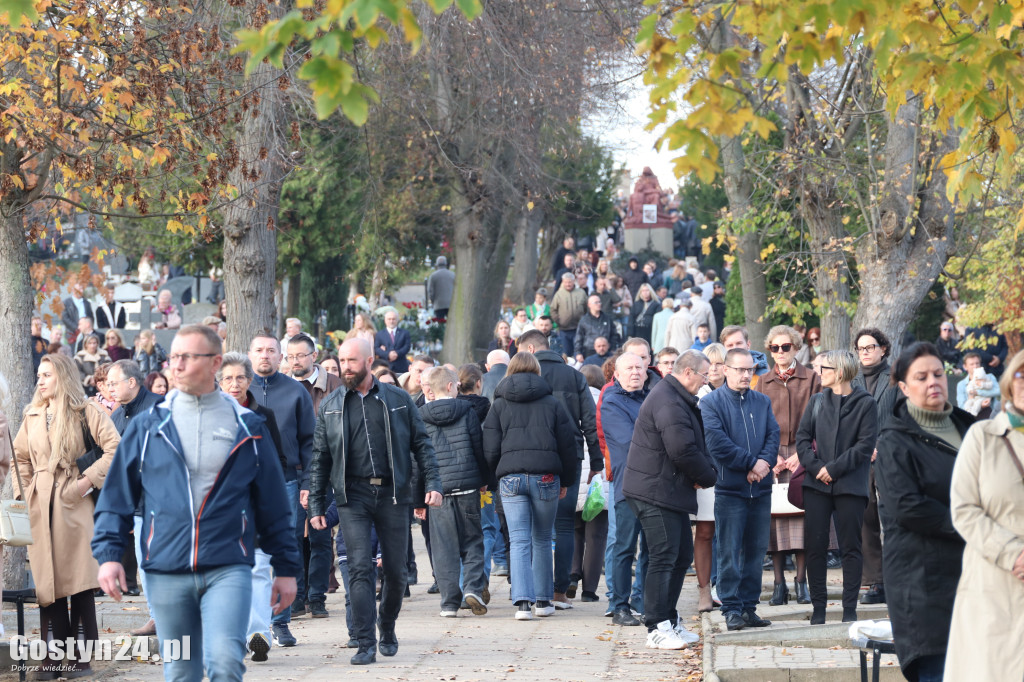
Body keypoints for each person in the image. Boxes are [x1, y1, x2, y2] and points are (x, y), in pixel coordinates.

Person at [93, 326, 300, 682]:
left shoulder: (249, 426)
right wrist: (109, 555)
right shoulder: (148, 427)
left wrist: (285, 567)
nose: (178, 364)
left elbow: (274, 502)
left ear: (215, 362)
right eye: (175, 356)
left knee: (224, 662)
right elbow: (116, 496)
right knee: (182, 669)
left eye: (189, 356)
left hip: (228, 565)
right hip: (166, 569)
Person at [308, 339, 442, 664]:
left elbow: (422, 443)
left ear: (369, 360)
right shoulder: (331, 405)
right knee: (358, 568)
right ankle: (365, 642)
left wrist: (434, 483)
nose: (345, 367)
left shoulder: (398, 399)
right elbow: (320, 459)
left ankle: (388, 624)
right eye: (341, 360)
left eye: (352, 360)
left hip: (393, 494)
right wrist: (315, 506)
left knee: (396, 571)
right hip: (351, 496)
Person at [14, 353, 121, 678]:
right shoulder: (32, 414)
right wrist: (26, 490)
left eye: (47, 374)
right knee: (49, 584)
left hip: (75, 505)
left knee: (79, 582)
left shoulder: (86, 410)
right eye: (39, 375)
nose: (40, 381)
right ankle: (52, 659)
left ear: (63, 376)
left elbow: (115, 447)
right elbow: (20, 457)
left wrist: (85, 483)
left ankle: (81, 660)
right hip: (40, 506)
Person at [873, 342, 974, 681]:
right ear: (903, 387)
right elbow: (907, 507)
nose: (933, 382)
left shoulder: (972, 429)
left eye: (938, 374)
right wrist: (974, 527)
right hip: (923, 581)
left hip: (977, 576)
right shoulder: (894, 441)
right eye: (921, 376)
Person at [624, 350, 718, 649]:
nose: (705, 382)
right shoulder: (668, 400)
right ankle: (656, 626)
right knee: (664, 556)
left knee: (679, 556)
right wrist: (710, 477)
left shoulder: (676, 396)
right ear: (688, 372)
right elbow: (682, 450)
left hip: (666, 489)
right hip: (654, 491)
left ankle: (669, 619)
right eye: (704, 375)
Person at [944, 349, 1024, 681]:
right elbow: (964, 508)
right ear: (1009, 382)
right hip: (993, 589)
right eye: (1021, 374)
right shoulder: (983, 437)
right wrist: (1014, 554)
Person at [482, 352, 576, 620]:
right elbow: (567, 445)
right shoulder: (552, 403)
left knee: (519, 539)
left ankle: (523, 603)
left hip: (510, 477)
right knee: (544, 538)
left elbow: (489, 447)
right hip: (546, 476)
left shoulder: (498, 405)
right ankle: (544, 601)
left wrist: (493, 477)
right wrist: (567, 480)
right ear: (537, 371)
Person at [516, 329, 602, 608]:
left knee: (529, 528)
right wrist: (596, 462)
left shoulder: (522, 376)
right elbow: (590, 421)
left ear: (529, 349)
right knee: (564, 525)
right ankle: (558, 591)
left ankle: (526, 590)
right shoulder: (575, 376)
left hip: (528, 456)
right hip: (570, 457)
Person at [700, 348, 781, 631]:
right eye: (740, 369)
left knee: (756, 550)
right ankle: (731, 608)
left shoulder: (762, 401)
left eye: (750, 369)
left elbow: (773, 435)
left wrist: (763, 464)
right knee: (730, 551)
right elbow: (717, 444)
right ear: (725, 370)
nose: (747, 374)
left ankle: (749, 607)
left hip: (760, 489)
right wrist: (751, 464)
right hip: (731, 488)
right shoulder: (711, 403)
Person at [795, 350, 877, 624]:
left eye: (824, 367)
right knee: (815, 547)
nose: (819, 372)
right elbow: (803, 438)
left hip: (850, 486)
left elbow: (865, 446)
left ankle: (849, 610)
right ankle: (819, 609)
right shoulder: (817, 400)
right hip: (816, 485)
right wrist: (818, 468)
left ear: (839, 372)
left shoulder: (866, 404)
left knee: (850, 548)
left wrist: (834, 469)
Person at [216, 352, 289, 662]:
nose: (235, 384)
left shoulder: (264, 416)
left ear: (250, 381)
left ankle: (258, 633)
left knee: (259, 569)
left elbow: (278, 462)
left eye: (240, 378)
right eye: (228, 378)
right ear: (219, 382)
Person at [247, 333, 315, 646]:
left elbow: (310, 443)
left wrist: (306, 483)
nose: (265, 355)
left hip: (286, 481)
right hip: (243, 484)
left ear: (281, 357)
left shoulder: (296, 393)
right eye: (259, 350)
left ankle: (280, 621)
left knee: (282, 550)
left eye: (271, 351)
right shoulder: (236, 391)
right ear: (250, 355)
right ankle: (249, 622)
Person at [416, 367, 490, 618]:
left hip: (438, 493)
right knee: (473, 542)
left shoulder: (420, 416)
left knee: (443, 547)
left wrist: (418, 499)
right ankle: (472, 587)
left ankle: (449, 603)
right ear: (449, 387)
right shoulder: (467, 412)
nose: (459, 387)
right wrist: (484, 480)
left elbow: (417, 461)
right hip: (468, 487)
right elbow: (478, 448)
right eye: (456, 385)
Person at [756, 326, 821, 607]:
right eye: (775, 348)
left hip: (803, 451)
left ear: (796, 348)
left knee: (802, 518)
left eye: (786, 347)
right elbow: (757, 424)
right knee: (774, 522)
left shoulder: (812, 379)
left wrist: (802, 454)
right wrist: (769, 458)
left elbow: (821, 420)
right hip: (771, 455)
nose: (780, 352)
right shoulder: (762, 382)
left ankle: (801, 582)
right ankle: (779, 584)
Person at [287, 333, 342, 619]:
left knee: (320, 536)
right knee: (294, 536)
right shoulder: (283, 386)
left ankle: (317, 597)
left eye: (300, 355)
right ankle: (296, 598)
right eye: (291, 356)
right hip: (292, 470)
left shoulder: (335, 387)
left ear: (313, 356)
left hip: (327, 470)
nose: (295, 361)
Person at [600, 352, 651, 626]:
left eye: (639, 368)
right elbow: (631, 443)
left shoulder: (651, 398)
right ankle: (619, 606)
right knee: (624, 548)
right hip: (628, 487)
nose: (635, 372)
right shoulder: (611, 402)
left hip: (656, 487)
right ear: (616, 375)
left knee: (652, 549)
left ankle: (642, 603)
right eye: (629, 368)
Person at [851, 327, 900, 605]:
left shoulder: (895, 378)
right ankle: (876, 582)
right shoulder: (852, 379)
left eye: (870, 347)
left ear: (883, 348)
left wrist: (881, 444)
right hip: (860, 460)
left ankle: (897, 578)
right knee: (866, 520)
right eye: (861, 348)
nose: (865, 352)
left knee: (892, 519)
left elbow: (902, 417)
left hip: (889, 456)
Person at [570, 365, 608, 603]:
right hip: (599, 478)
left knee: (574, 531)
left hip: (576, 477)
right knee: (596, 536)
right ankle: (589, 590)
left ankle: (572, 574)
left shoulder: (571, 403)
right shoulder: (606, 403)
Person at [550, 273, 587, 356]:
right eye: (566, 282)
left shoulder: (581, 292)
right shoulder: (558, 294)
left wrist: (583, 320)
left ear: (574, 281)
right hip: (564, 330)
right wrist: (559, 321)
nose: (568, 284)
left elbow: (586, 308)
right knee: (566, 353)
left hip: (578, 329)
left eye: (570, 282)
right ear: (563, 282)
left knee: (578, 352)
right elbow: (553, 309)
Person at [575, 294, 619, 362]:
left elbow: (614, 334)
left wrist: (613, 348)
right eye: (596, 302)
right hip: (589, 352)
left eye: (599, 302)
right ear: (589, 305)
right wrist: (578, 352)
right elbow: (579, 337)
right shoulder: (584, 320)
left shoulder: (607, 318)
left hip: (606, 352)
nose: (599, 304)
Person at [956, 351, 1001, 417]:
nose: (975, 366)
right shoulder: (961, 385)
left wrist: (978, 392)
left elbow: (998, 391)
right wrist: (980, 406)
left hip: (991, 414)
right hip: (971, 417)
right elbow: (961, 406)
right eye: (972, 364)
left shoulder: (990, 377)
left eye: (977, 363)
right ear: (965, 367)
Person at [374, 310, 412, 374]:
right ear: (385, 321)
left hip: (401, 366)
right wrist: (388, 354)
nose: (391, 321)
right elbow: (376, 348)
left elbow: (407, 346)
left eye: (393, 319)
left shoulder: (405, 333)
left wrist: (397, 354)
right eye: (389, 319)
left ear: (397, 320)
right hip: (385, 366)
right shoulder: (379, 334)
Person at [426, 256, 456, 320]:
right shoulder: (453, 275)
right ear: (446, 264)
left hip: (438, 305)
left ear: (437, 265)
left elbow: (430, 291)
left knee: (440, 325)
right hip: (451, 305)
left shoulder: (433, 276)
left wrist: (433, 301)